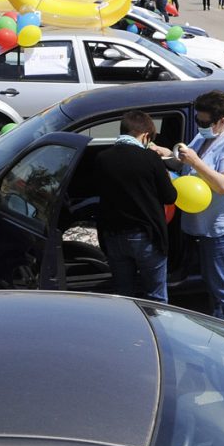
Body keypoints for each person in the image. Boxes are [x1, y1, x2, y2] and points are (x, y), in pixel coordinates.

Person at [176, 91, 224, 325]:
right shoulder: (206, 137)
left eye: (205, 122)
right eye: (197, 120)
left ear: (222, 121)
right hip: (209, 225)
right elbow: (191, 162)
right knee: (215, 285)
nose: (200, 125)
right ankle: (223, 331)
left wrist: (195, 162)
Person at [94, 111, 178, 303]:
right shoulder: (151, 159)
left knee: (124, 296)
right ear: (145, 136)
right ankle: (155, 332)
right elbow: (170, 196)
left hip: (114, 236)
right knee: (155, 297)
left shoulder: (102, 158)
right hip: (146, 237)